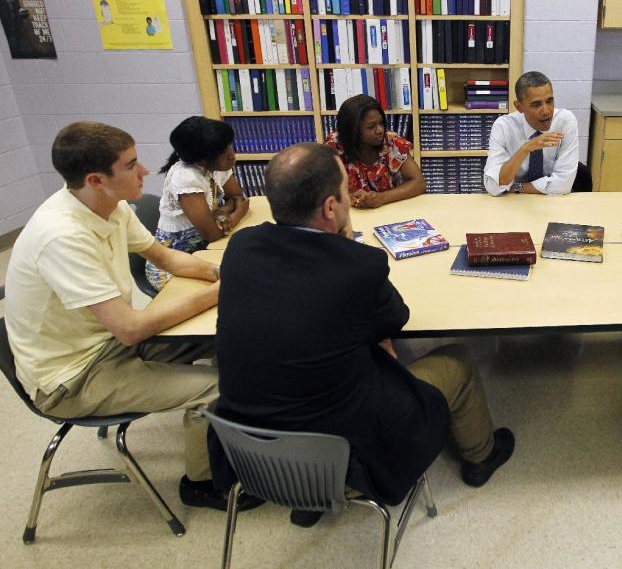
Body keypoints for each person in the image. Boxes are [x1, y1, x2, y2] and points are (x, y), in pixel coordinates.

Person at [211, 143, 514, 526]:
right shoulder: (358, 266)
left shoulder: (240, 248)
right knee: (458, 361)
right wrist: (345, 239)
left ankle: (308, 500)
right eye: (343, 191)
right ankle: (480, 457)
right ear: (330, 207)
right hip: (345, 455)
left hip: (251, 456)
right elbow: (395, 318)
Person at [3, 122, 256, 511]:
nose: (144, 173)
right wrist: (215, 295)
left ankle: (230, 445)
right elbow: (129, 328)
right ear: (96, 179)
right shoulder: (62, 236)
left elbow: (166, 257)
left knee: (228, 342)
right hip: (73, 378)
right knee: (219, 387)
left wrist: (222, 273)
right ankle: (202, 485)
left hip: (105, 343)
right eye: (131, 165)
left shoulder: (109, 206)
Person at [145, 116, 249, 291]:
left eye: (229, 145)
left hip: (204, 252)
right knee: (235, 289)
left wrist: (222, 212)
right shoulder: (186, 178)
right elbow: (213, 234)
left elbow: (238, 197)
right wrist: (236, 214)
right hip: (172, 264)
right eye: (223, 151)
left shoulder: (215, 166)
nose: (231, 154)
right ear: (201, 159)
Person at [484, 71, 580, 195]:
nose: (546, 111)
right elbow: (493, 186)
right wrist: (525, 149)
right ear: (519, 107)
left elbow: (563, 185)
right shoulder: (503, 127)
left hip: (550, 201)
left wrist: (516, 187)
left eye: (550, 101)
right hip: (513, 203)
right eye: (536, 104)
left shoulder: (565, 121)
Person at [324, 94, 425, 208]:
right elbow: (321, 187)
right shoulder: (334, 145)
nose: (380, 130)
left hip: (392, 211)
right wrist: (348, 196)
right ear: (352, 130)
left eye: (381, 123)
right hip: (352, 215)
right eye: (371, 126)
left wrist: (382, 198)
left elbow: (419, 183)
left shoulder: (392, 142)